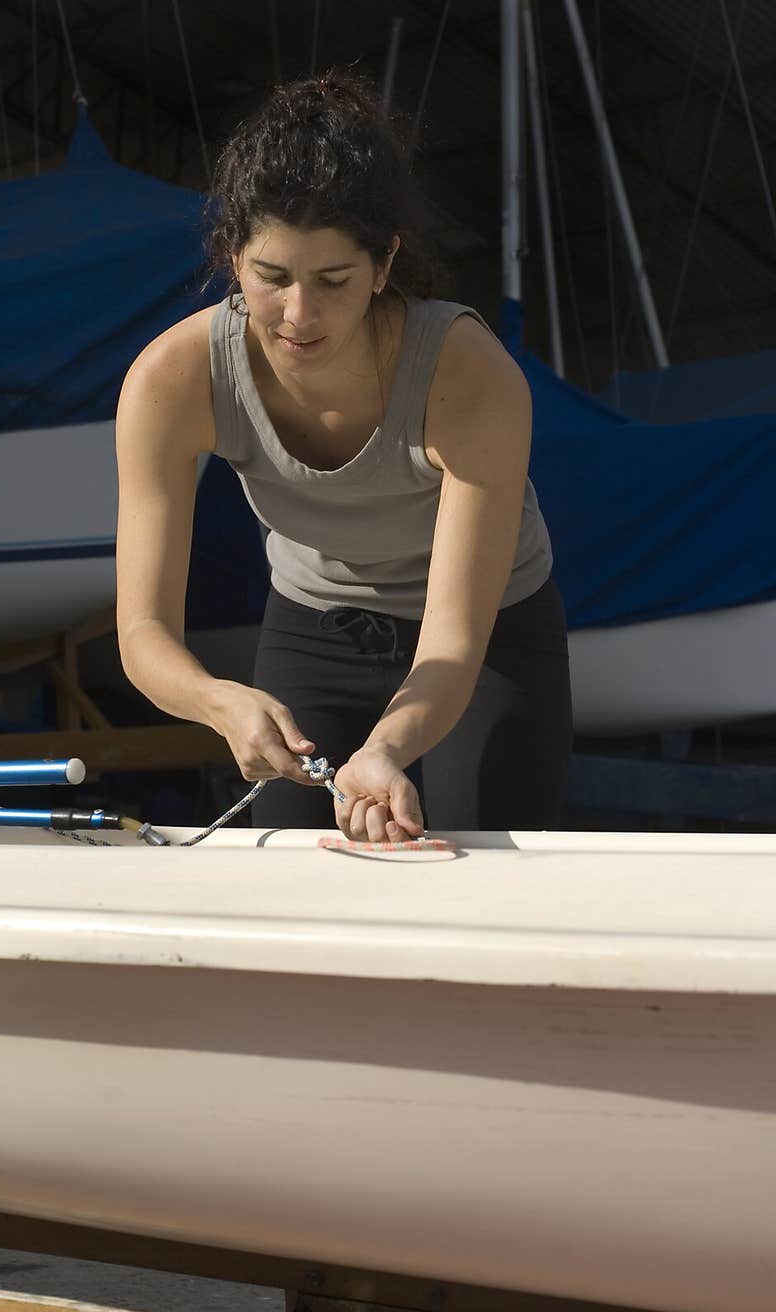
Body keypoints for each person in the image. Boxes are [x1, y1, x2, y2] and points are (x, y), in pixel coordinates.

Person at [115, 69, 572, 844]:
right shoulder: (173, 379)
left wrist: (386, 748)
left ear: (384, 266)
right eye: (272, 277)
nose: (299, 314)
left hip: (487, 634)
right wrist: (220, 700)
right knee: (297, 880)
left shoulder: (469, 374)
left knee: (486, 876)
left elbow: (452, 643)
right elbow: (141, 633)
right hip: (312, 625)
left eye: (333, 280)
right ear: (233, 257)